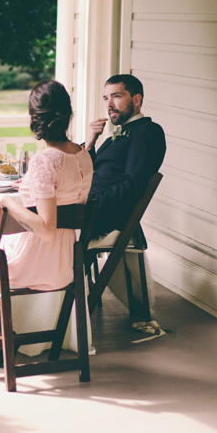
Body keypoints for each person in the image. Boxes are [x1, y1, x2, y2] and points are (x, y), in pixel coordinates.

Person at [0, 80, 93, 368]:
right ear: (67, 114)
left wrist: (8, 201)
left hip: (33, 260)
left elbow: (47, 229)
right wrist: (31, 188)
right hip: (66, 263)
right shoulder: (83, 155)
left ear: (34, 118)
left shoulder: (45, 160)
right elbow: (64, 198)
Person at [84, 73, 166, 311]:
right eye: (106, 98)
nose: (109, 104)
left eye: (116, 96)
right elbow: (94, 174)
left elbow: (131, 186)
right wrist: (90, 144)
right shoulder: (115, 135)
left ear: (136, 99)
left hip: (102, 214)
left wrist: (91, 204)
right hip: (89, 206)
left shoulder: (148, 132)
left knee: (39, 223)